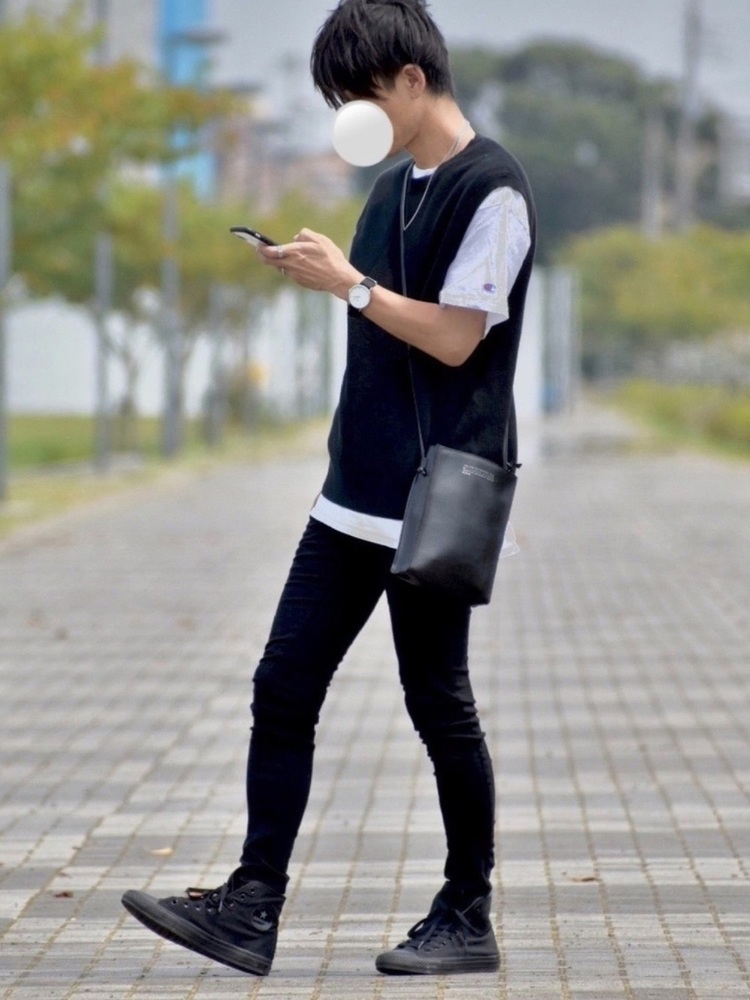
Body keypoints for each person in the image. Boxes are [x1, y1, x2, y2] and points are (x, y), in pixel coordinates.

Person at [122, 0, 535, 978]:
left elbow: (455, 338)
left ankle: (466, 912)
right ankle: (251, 905)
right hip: (352, 491)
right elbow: (379, 315)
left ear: (411, 79)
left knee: (438, 702)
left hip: (437, 499)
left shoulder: (495, 191)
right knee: (283, 686)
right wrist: (324, 275)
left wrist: (349, 284)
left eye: (360, 94)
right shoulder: (388, 190)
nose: (351, 115)